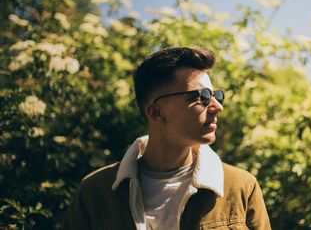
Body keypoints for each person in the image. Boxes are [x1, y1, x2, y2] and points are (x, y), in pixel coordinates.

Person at [62, 47, 271, 229]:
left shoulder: (241, 187)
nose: (217, 106)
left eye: (216, 95)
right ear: (156, 113)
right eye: (202, 97)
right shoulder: (95, 191)